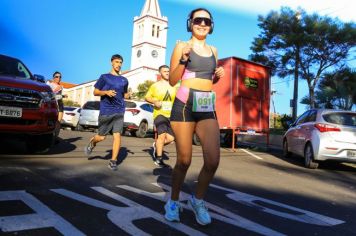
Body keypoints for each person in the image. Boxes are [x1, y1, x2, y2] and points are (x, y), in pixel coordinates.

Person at [164, 8, 225, 225]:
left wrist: (217, 76)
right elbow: (172, 80)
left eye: (206, 21)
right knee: (184, 160)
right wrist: (182, 60)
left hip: (206, 105)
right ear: (190, 23)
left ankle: (197, 200)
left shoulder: (214, 50)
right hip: (184, 105)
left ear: (211, 25)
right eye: (198, 20)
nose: (202, 24)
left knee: (213, 160)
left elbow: (208, 80)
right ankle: (172, 201)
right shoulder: (182, 45)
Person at [84, 54, 130, 171]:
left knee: (117, 135)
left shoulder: (124, 80)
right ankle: (92, 142)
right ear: (111, 62)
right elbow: (95, 92)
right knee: (101, 137)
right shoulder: (104, 77)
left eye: (120, 62)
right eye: (116, 62)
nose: (118, 64)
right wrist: (106, 92)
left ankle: (113, 161)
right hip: (106, 111)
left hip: (119, 111)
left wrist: (128, 95)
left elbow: (124, 94)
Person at [145, 65, 177, 167]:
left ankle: (157, 145)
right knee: (162, 135)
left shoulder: (174, 85)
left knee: (171, 138)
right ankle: (159, 159)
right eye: (165, 71)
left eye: (168, 71)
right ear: (160, 73)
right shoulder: (155, 86)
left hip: (171, 115)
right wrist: (154, 101)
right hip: (159, 114)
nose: (167, 73)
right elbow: (147, 97)